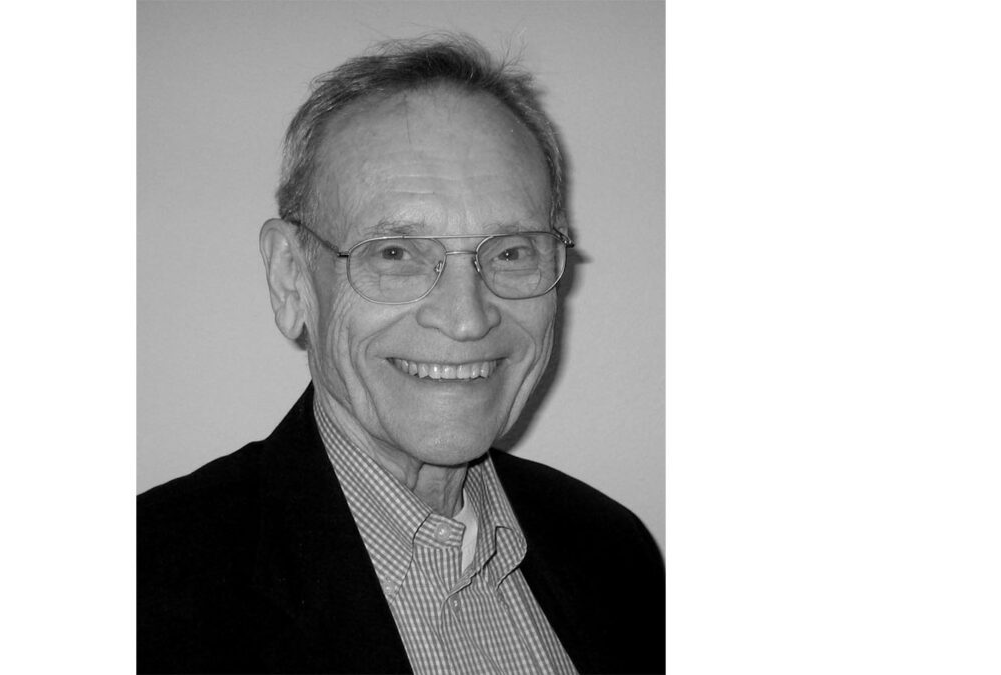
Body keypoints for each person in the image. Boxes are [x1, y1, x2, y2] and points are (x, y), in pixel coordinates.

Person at [138, 34, 664, 674]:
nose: (467, 319)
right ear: (290, 277)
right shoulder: (148, 587)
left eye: (511, 251)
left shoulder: (615, 551)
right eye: (395, 253)